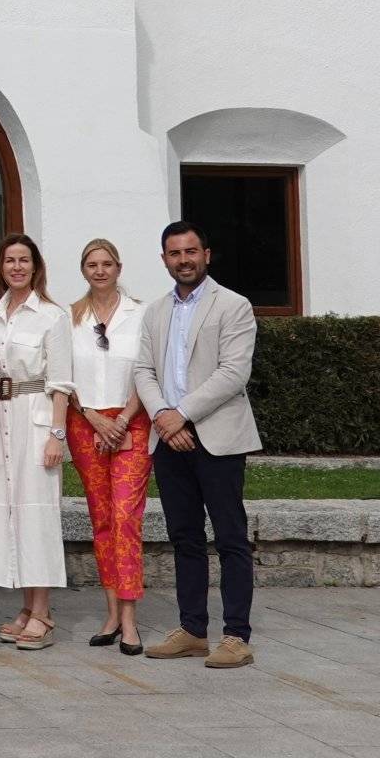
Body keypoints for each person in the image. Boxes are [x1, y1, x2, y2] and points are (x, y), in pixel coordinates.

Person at [132, 221, 261, 670]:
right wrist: (165, 421)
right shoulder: (154, 312)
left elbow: (232, 373)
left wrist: (179, 413)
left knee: (230, 538)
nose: (183, 260)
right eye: (174, 253)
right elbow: (143, 371)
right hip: (170, 438)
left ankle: (236, 636)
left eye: (190, 251)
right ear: (164, 259)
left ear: (206, 254)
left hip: (218, 437)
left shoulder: (234, 306)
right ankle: (192, 630)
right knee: (184, 537)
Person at [0, 233, 72, 650]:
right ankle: (25, 605)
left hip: (37, 416)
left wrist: (57, 435)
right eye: (9, 260)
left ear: (35, 267)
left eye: (23, 260)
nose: (16, 267)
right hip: (1, 416)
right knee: (9, 511)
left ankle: (44, 612)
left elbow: (62, 382)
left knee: (37, 513)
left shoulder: (53, 316)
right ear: (0, 267)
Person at [60, 239, 149, 654]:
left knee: (125, 516)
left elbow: (149, 371)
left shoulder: (140, 314)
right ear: (83, 270)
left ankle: (130, 622)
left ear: (118, 267)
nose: (100, 271)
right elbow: (63, 375)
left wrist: (122, 419)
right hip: (86, 422)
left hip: (132, 420)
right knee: (101, 518)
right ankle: (111, 612)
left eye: (107, 263)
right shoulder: (70, 317)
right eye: (92, 264)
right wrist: (93, 417)